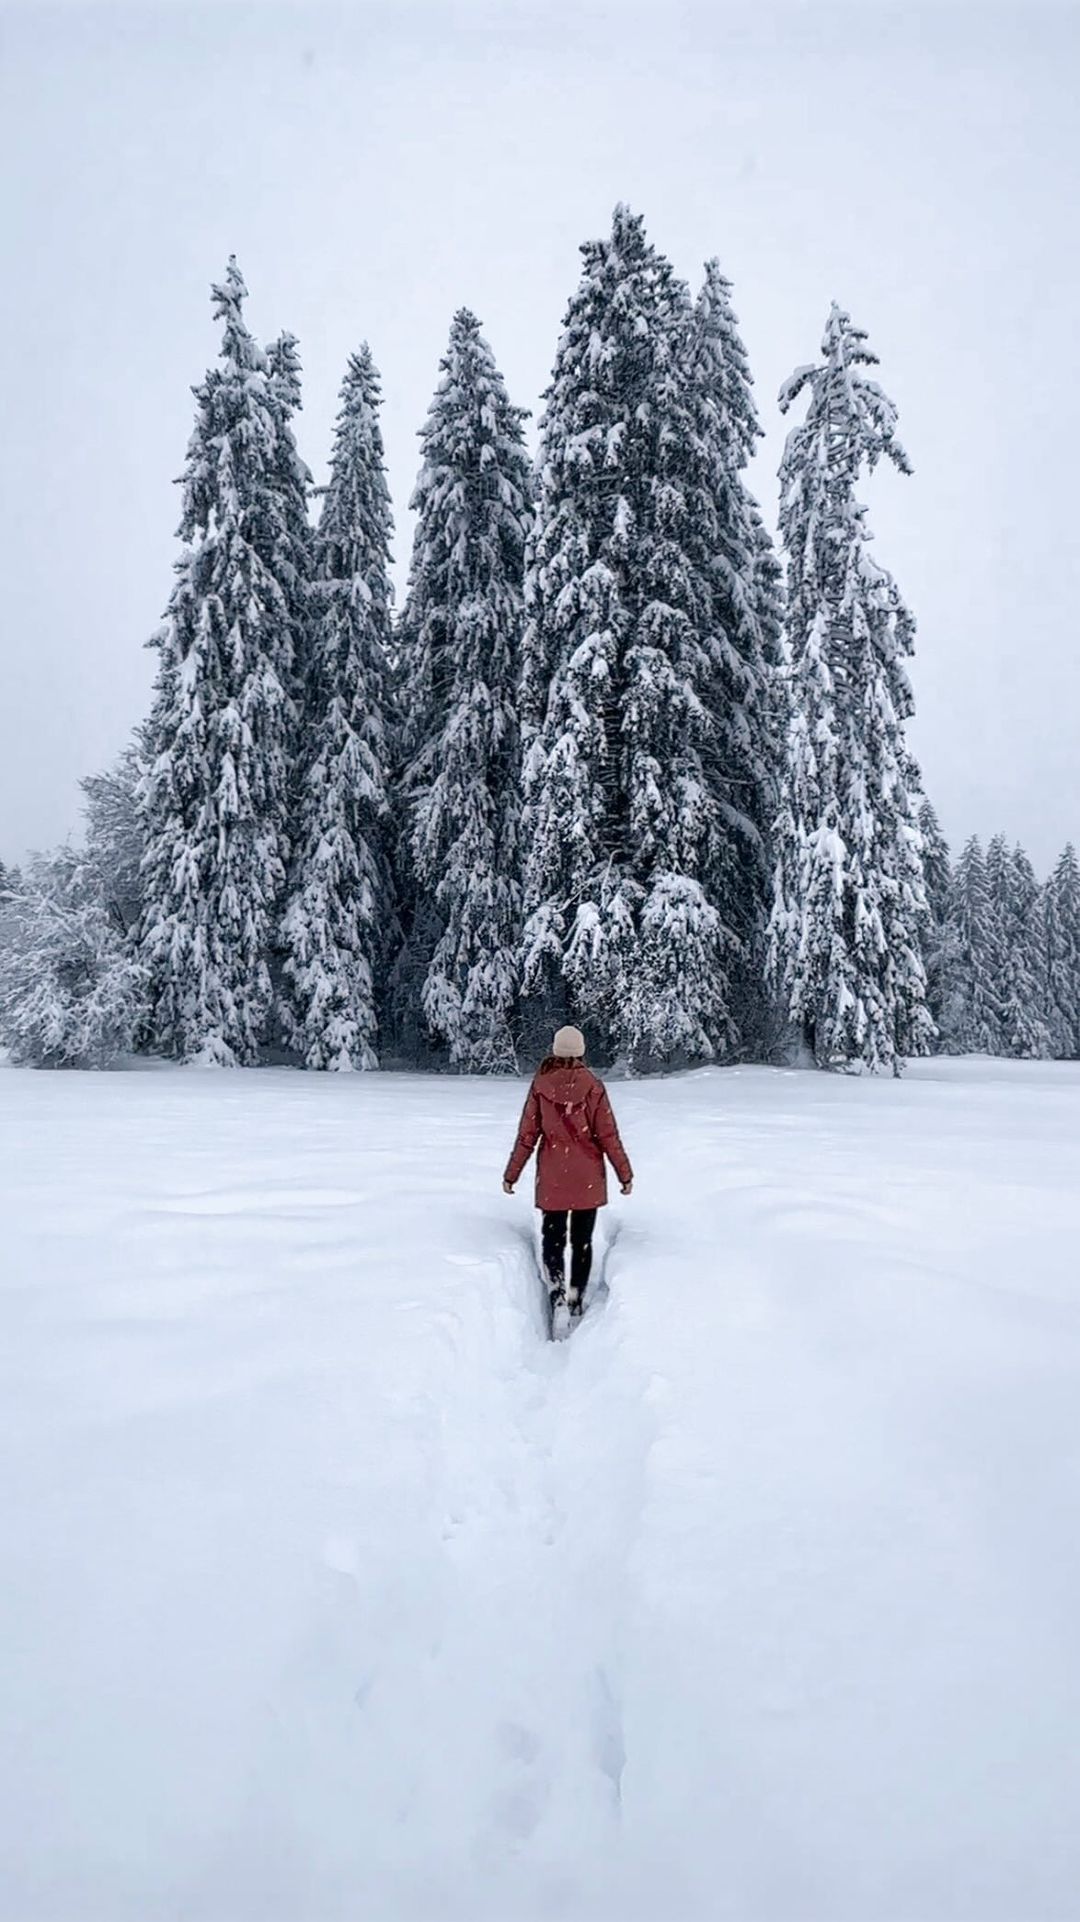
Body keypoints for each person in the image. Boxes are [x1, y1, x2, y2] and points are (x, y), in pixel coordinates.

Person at [503, 1026, 633, 1319]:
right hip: (587, 1178)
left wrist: (511, 1174)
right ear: (581, 1051)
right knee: (581, 1242)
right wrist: (625, 1175)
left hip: (553, 1177)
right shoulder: (595, 1087)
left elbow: (527, 1136)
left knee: (554, 1239)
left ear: (556, 1050)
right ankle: (575, 1296)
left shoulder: (540, 1085)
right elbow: (608, 1136)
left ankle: (556, 1292)